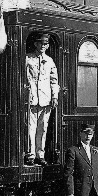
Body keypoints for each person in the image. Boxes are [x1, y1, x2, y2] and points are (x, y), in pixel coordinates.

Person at [25, 33, 59, 165]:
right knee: (30, 128)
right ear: (35, 44)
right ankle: (30, 154)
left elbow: (54, 81)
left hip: (46, 99)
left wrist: (55, 96)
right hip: (32, 99)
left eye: (45, 44)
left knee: (43, 128)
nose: (43, 46)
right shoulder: (27, 59)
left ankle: (40, 154)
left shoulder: (50, 61)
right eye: (40, 43)